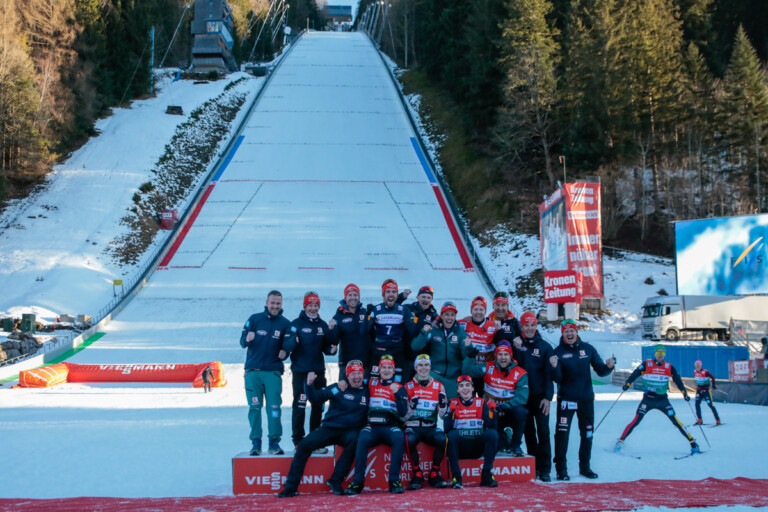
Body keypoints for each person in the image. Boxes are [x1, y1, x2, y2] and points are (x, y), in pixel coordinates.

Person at [278, 361, 369, 498]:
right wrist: (309, 384)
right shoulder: (338, 388)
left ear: (363, 374)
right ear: (347, 376)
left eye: (359, 373)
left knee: (356, 441)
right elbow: (315, 398)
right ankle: (291, 487)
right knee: (303, 446)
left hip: (350, 432)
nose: (356, 377)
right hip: (330, 428)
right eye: (353, 374)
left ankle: (335, 480)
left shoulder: (367, 391)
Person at [550, 319, 615, 480]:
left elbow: (600, 371)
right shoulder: (557, 351)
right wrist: (553, 366)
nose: (569, 334)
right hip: (566, 400)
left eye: (572, 330)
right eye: (566, 331)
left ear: (576, 331)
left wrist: (609, 366)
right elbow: (557, 378)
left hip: (586, 400)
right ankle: (561, 469)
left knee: (587, 434)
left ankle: (585, 467)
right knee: (562, 435)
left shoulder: (588, 349)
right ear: (562, 333)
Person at [615, 345, 700, 454]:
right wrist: (627, 383)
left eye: (662, 353)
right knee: (636, 421)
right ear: (655, 354)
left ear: (664, 355)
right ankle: (620, 441)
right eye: (658, 353)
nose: (660, 355)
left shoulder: (668, 367)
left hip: (662, 400)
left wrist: (684, 393)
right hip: (648, 399)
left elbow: (678, 380)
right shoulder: (647, 364)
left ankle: (693, 443)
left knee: (676, 421)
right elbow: (635, 373)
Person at [239, 290, 293, 456]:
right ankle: (256, 442)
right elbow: (242, 342)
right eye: (272, 303)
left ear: (281, 304)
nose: (275, 306)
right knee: (254, 407)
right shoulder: (254, 319)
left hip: (272, 373)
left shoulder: (285, 324)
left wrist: (285, 352)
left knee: (274, 408)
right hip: (253, 373)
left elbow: (289, 345)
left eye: (278, 303)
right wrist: (247, 338)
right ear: (267, 302)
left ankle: (274, 442)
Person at [345, 355, 409, 495]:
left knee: (399, 437)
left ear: (394, 371)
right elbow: (355, 382)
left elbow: (403, 413)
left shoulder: (399, 387)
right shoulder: (371, 382)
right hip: (372, 427)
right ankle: (357, 482)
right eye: (383, 368)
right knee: (362, 438)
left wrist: (397, 395)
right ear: (379, 370)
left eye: (389, 368)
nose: (386, 370)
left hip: (390, 426)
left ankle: (394, 481)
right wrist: (342, 383)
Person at [282, 291, 338, 449]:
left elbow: (328, 346)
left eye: (316, 305)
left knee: (317, 406)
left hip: (318, 372)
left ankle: (315, 440)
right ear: (304, 306)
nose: (313, 308)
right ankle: (298, 441)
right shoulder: (296, 324)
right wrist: (294, 341)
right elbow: (286, 346)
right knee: (299, 406)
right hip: (301, 373)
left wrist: (332, 349)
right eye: (310, 305)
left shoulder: (322, 325)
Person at [464, 341, 529, 456]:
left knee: (521, 412)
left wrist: (505, 406)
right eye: (500, 354)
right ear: (496, 356)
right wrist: (470, 357)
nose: (503, 358)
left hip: (508, 412)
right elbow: (467, 372)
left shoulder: (520, 373)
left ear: (511, 356)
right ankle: (504, 439)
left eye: (506, 354)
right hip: (491, 414)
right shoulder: (488, 367)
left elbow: (522, 397)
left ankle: (516, 445)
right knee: (493, 446)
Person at [512, 311, 554, 482]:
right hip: (523, 397)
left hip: (540, 397)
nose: (529, 328)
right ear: (521, 327)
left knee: (543, 431)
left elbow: (549, 374)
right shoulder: (517, 344)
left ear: (536, 326)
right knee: (528, 432)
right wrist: (515, 348)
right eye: (526, 325)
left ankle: (545, 468)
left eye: (532, 325)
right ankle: (534, 465)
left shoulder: (544, 346)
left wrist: (548, 397)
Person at [403, 354, 449, 490]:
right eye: (420, 365)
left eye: (426, 365)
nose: (423, 368)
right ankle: (417, 473)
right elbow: (403, 417)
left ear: (430, 367)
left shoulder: (439, 386)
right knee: (408, 439)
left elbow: (442, 415)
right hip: (413, 427)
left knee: (442, 438)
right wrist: (411, 407)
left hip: (430, 427)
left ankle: (434, 473)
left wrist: (442, 405)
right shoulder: (407, 386)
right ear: (415, 367)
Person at [445, 375, 499, 489]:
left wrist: (492, 413)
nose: (465, 388)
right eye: (461, 386)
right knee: (451, 435)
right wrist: (450, 413)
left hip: (477, 446)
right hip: (461, 448)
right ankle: (457, 477)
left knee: (492, 434)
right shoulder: (452, 402)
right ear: (458, 390)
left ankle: (486, 474)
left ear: (473, 388)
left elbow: (491, 426)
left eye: (468, 385)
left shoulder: (481, 402)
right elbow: (447, 429)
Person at [410, 301, 469, 399]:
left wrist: (467, 347)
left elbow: (465, 355)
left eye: (452, 315)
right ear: (441, 316)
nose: (449, 318)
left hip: (453, 377)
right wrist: (423, 332)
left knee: (451, 408)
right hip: (435, 375)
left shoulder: (460, 332)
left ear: (455, 317)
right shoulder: (434, 329)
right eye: (446, 315)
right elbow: (415, 346)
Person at [368, 279, 417, 382]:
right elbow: (364, 330)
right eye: (388, 291)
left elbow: (412, 330)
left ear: (397, 294)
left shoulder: (403, 309)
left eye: (394, 292)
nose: (391, 294)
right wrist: (368, 316)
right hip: (379, 349)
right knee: (374, 381)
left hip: (397, 350)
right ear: (383, 294)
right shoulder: (376, 309)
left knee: (398, 382)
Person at [459, 296, 502, 396]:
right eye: (475, 309)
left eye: (481, 309)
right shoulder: (463, 323)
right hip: (468, 370)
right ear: (471, 310)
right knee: (467, 400)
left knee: (485, 402)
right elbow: (447, 319)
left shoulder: (493, 326)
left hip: (484, 371)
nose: (478, 312)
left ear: (485, 311)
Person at [328, 283, 371, 371]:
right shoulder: (338, 317)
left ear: (358, 297)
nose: (352, 298)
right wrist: (331, 329)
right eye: (350, 295)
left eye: (355, 295)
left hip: (365, 364)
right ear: (345, 297)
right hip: (346, 364)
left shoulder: (365, 313)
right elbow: (333, 341)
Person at [693, 360, 721, 426]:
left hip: (706, 391)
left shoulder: (705, 372)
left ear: (701, 365)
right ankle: (700, 419)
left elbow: (712, 377)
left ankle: (717, 420)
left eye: (698, 365)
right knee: (697, 404)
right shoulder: (694, 371)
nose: (697, 367)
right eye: (696, 365)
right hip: (699, 391)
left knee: (710, 405)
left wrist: (713, 385)